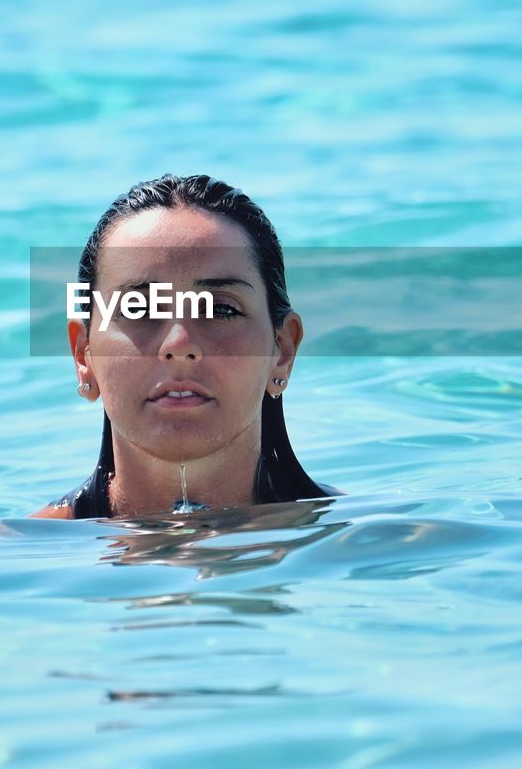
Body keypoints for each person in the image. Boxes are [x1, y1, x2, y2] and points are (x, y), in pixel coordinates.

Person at [30, 173, 343, 520]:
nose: (179, 344)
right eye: (140, 309)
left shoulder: (366, 541)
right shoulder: (13, 554)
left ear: (281, 351)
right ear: (83, 355)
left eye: (221, 309)